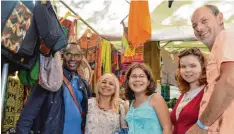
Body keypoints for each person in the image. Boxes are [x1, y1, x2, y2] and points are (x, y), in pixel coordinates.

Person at [16, 43, 91, 134]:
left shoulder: (83, 85)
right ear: (63, 55)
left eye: (77, 55)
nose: (72, 59)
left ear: (81, 57)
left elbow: (87, 117)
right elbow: (26, 117)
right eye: (68, 54)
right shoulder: (49, 80)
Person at [187, 5, 234, 133]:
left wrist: (201, 125)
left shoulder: (226, 36)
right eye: (194, 25)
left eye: (204, 21)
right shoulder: (217, 50)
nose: (199, 28)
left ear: (220, 18)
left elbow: (229, 81)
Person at [124, 63, 172, 134]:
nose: (137, 79)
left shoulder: (155, 98)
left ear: (148, 82)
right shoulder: (128, 104)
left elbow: (167, 129)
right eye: (134, 76)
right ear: (128, 81)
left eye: (142, 76)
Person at [170, 48, 207, 134]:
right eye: (183, 66)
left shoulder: (207, 92)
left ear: (203, 67)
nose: (187, 70)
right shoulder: (185, 93)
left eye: (193, 66)